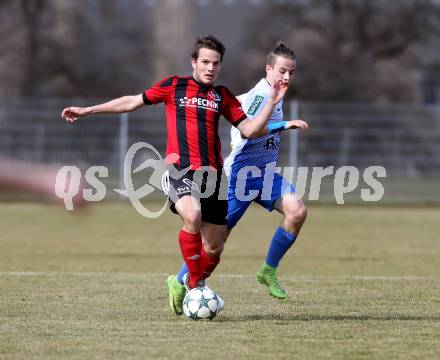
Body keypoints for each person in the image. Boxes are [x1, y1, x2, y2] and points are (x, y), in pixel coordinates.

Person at [61, 35, 289, 314]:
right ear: (194, 62)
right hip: (180, 170)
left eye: (215, 63)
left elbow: (250, 130)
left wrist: (273, 101)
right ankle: (194, 286)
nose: (210, 68)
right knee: (191, 216)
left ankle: (180, 284)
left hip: (214, 177)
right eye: (205, 62)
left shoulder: (222, 96)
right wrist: (87, 110)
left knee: (215, 248)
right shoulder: (174, 86)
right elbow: (132, 101)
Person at [172, 42, 308, 308]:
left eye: (291, 72)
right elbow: (251, 129)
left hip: (266, 175)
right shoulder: (261, 95)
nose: (287, 77)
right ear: (268, 69)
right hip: (240, 178)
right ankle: (180, 281)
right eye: (282, 71)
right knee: (214, 244)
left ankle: (267, 271)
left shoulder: (273, 94)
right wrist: (285, 124)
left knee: (297, 211)